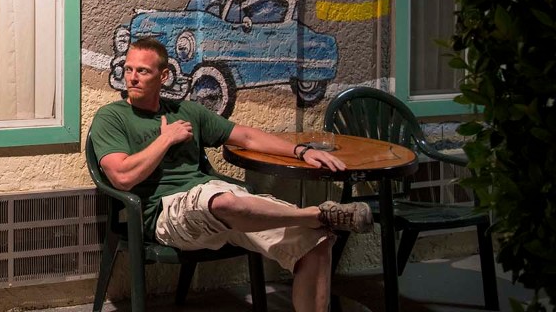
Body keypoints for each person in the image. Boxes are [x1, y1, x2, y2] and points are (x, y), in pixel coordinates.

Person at [89, 37, 373, 312]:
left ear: (164, 77)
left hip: (216, 200)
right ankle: (316, 213)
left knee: (317, 240)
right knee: (223, 201)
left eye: (142, 71)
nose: (132, 78)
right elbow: (122, 177)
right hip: (166, 213)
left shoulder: (186, 111)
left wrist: (301, 151)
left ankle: (316, 220)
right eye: (128, 69)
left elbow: (246, 137)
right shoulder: (111, 117)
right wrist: (166, 139)